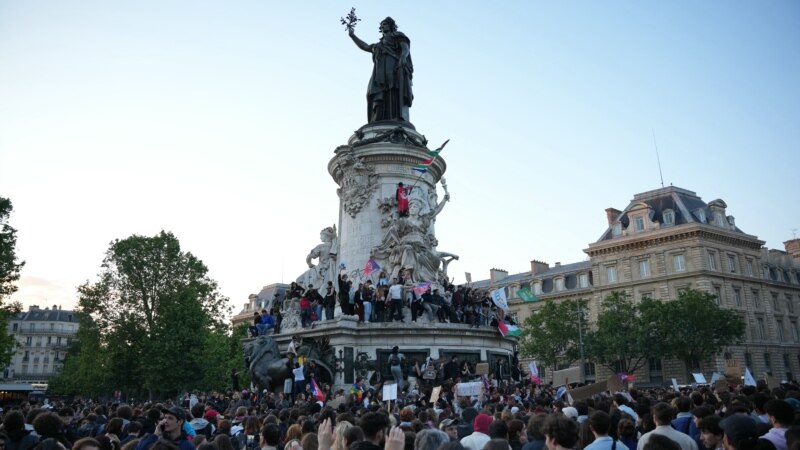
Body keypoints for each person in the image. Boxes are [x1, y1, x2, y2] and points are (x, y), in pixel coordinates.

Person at [347, 17, 413, 123]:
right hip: (379, 73)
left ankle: (395, 116)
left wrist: (403, 57)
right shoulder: (378, 45)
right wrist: (352, 36)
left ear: (391, 26)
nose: (383, 26)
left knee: (393, 89)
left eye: (385, 24)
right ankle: (378, 118)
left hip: (393, 66)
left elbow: (405, 47)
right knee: (375, 92)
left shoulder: (397, 35)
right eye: (382, 25)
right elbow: (365, 46)